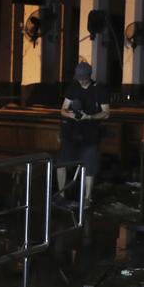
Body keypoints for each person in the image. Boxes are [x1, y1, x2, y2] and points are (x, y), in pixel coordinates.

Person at [57, 61, 109, 206]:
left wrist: (90, 117)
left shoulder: (99, 89)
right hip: (71, 132)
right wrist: (70, 115)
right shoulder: (73, 87)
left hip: (90, 133)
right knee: (61, 163)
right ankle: (61, 194)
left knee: (90, 166)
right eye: (78, 78)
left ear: (88, 76)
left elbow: (106, 113)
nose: (80, 80)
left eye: (82, 78)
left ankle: (87, 197)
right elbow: (63, 109)